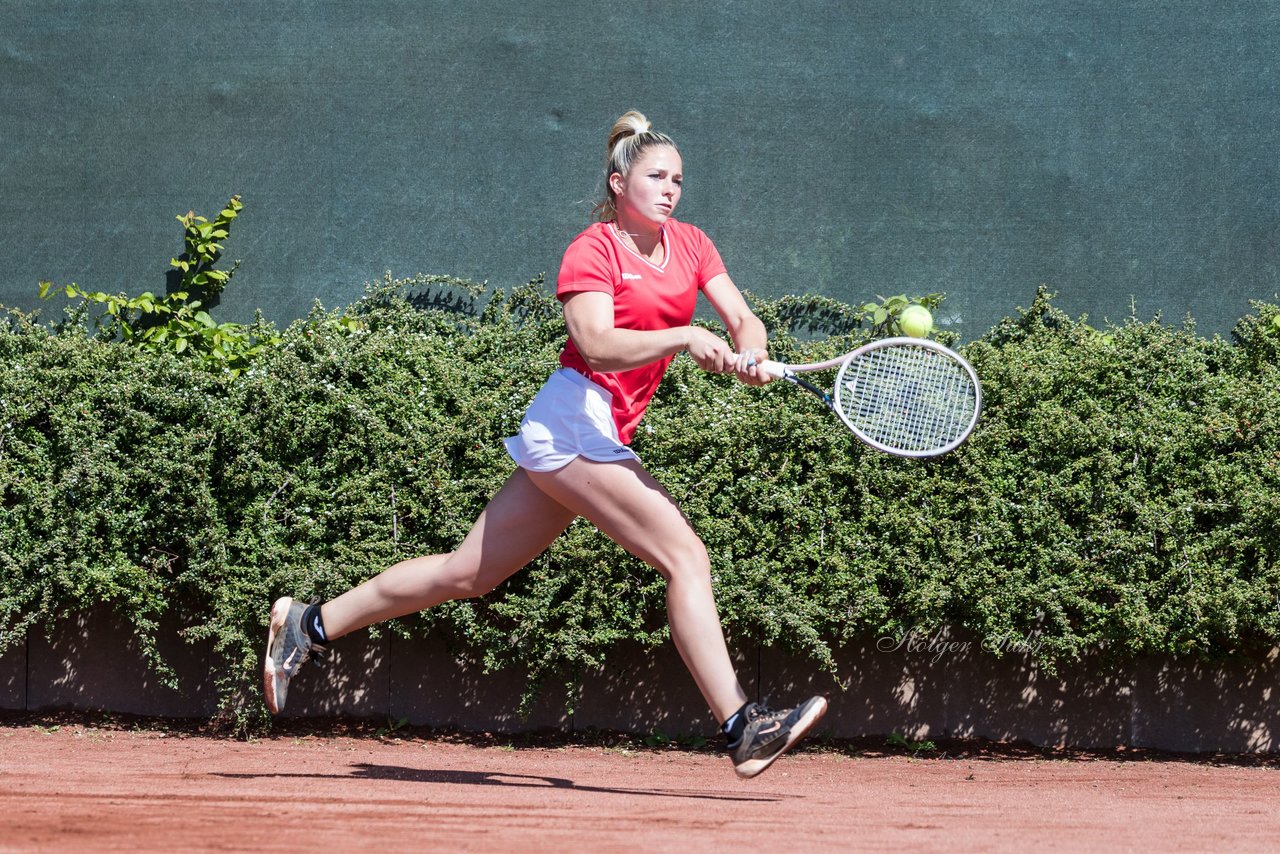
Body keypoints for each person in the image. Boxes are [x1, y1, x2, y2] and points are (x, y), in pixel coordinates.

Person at [263, 109, 827, 779]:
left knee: (467, 573)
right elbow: (597, 343)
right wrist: (682, 337)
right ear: (619, 182)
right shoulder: (594, 249)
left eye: (678, 179)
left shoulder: (693, 244)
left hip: (597, 431)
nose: (670, 189)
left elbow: (742, 316)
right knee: (685, 557)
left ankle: (308, 624)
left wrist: (751, 353)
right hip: (574, 421)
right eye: (655, 176)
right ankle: (741, 726)